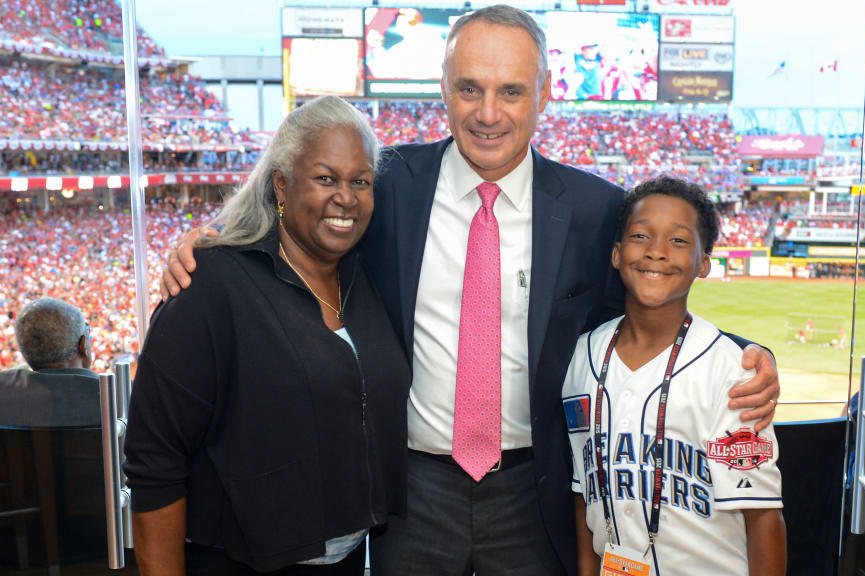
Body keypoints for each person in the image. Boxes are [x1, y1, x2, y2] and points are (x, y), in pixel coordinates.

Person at [160, 7, 780, 575]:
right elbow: (302, 222)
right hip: (413, 491)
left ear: (543, 96)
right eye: (470, 88)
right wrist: (209, 245)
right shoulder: (388, 186)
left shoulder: (594, 210)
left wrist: (747, 357)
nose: (489, 112)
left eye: (511, 90)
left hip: (534, 489)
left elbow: (653, 302)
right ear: (444, 89)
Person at [124, 95, 411, 575]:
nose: (346, 197)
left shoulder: (369, 275)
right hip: (236, 561)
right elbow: (155, 460)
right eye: (325, 178)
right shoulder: (212, 283)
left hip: (347, 558)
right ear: (281, 184)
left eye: (360, 181)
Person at [563, 177, 785, 575]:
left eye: (679, 240)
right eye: (640, 235)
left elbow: (762, 517)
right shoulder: (581, 358)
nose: (656, 252)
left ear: (704, 263)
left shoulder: (733, 374)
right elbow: (584, 496)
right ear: (616, 254)